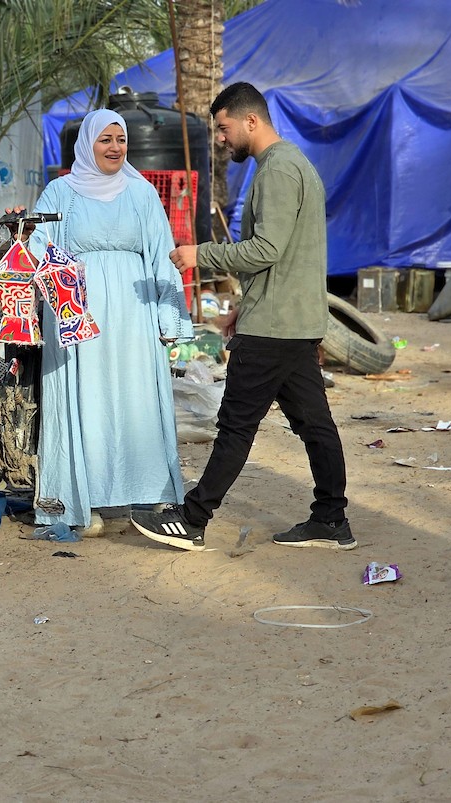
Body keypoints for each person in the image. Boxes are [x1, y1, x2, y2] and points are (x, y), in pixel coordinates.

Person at [130, 82, 354, 551]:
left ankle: (193, 519)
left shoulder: (277, 171)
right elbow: (286, 256)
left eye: (223, 127)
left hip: (274, 329)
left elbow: (267, 249)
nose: (220, 138)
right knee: (315, 425)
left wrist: (199, 254)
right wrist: (241, 306)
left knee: (236, 425)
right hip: (290, 321)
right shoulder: (292, 164)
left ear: (251, 121)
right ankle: (332, 520)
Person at [26, 108, 194, 533]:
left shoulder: (141, 195)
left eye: (121, 140)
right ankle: (87, 501)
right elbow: (38, 249)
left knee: (139, 398)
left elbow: (162, 256)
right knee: (86, 401)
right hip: (77, 315)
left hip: (134, 316)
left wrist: (169, 318)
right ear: (88, 144)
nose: (115, 147)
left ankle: (152, 492)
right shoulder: (60, 193)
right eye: (106, 140)